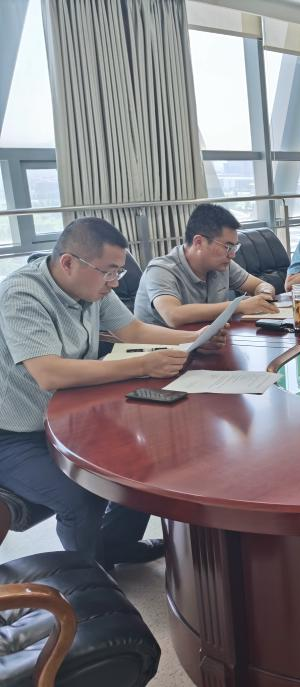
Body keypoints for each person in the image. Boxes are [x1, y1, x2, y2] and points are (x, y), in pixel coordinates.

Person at [0, 218, 227, 568]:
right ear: (68, 263)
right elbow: (49, 373)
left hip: (68, 415)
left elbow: (132, 329)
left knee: (140, 462)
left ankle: (115, 546)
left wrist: (195, 339)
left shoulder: (92, 288)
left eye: (118, 272)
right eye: (108, 272)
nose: (115, 282)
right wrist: (143, 365)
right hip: (15, 433)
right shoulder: (22, 295)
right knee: (81, 497)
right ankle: (92, 579)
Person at [134, 204, 278, 327]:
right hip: (162, 348)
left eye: (234, 248)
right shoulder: (161, 270)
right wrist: (238, 306)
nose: (232, 254)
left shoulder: (222, 264)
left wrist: (264, 297)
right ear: (198, 242)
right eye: (228, 247)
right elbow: (173, 315)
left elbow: (260, 285)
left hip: (204, 343)